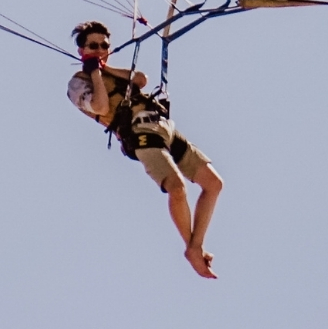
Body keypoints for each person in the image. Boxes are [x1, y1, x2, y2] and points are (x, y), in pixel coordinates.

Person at [66, 20, 223, 278]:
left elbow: (140, 79)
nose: (99, 49)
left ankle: (195, 246)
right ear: (82, 51)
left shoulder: (112, 70)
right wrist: (94, 73)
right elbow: (102, 108)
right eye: (93, 46)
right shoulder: (78, 82)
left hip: (163, 128)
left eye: (104, 46)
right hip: (139, 134)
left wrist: (105, 67)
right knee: (177, 187)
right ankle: (192, 249)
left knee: (214, 184)